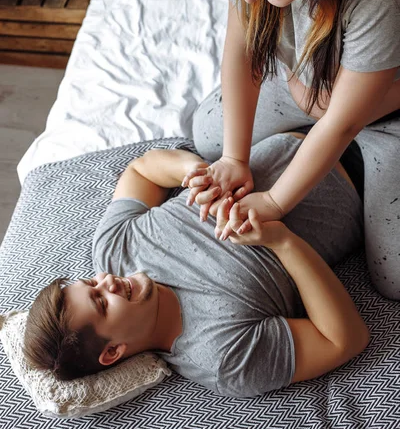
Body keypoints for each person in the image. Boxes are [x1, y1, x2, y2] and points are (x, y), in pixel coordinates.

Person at [185, 0, 400, 300]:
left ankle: (351, 175)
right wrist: (235, 160)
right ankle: (329, 162)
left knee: (395, 276)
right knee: (209, 135)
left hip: (382, 114)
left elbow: (342, 119)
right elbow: (241, 53)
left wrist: (277, 201)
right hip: (308, 85)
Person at [24, 138, 369, 396]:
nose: (108, 281)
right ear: (112, 351)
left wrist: (195, 174)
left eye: (92, 283)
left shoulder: (115, 249)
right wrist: (283, 243)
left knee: (209, 124)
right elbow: (344, 340)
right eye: (101, 302)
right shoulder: (222, 358)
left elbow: (142, 169)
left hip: (291, 127)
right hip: (359, 173)